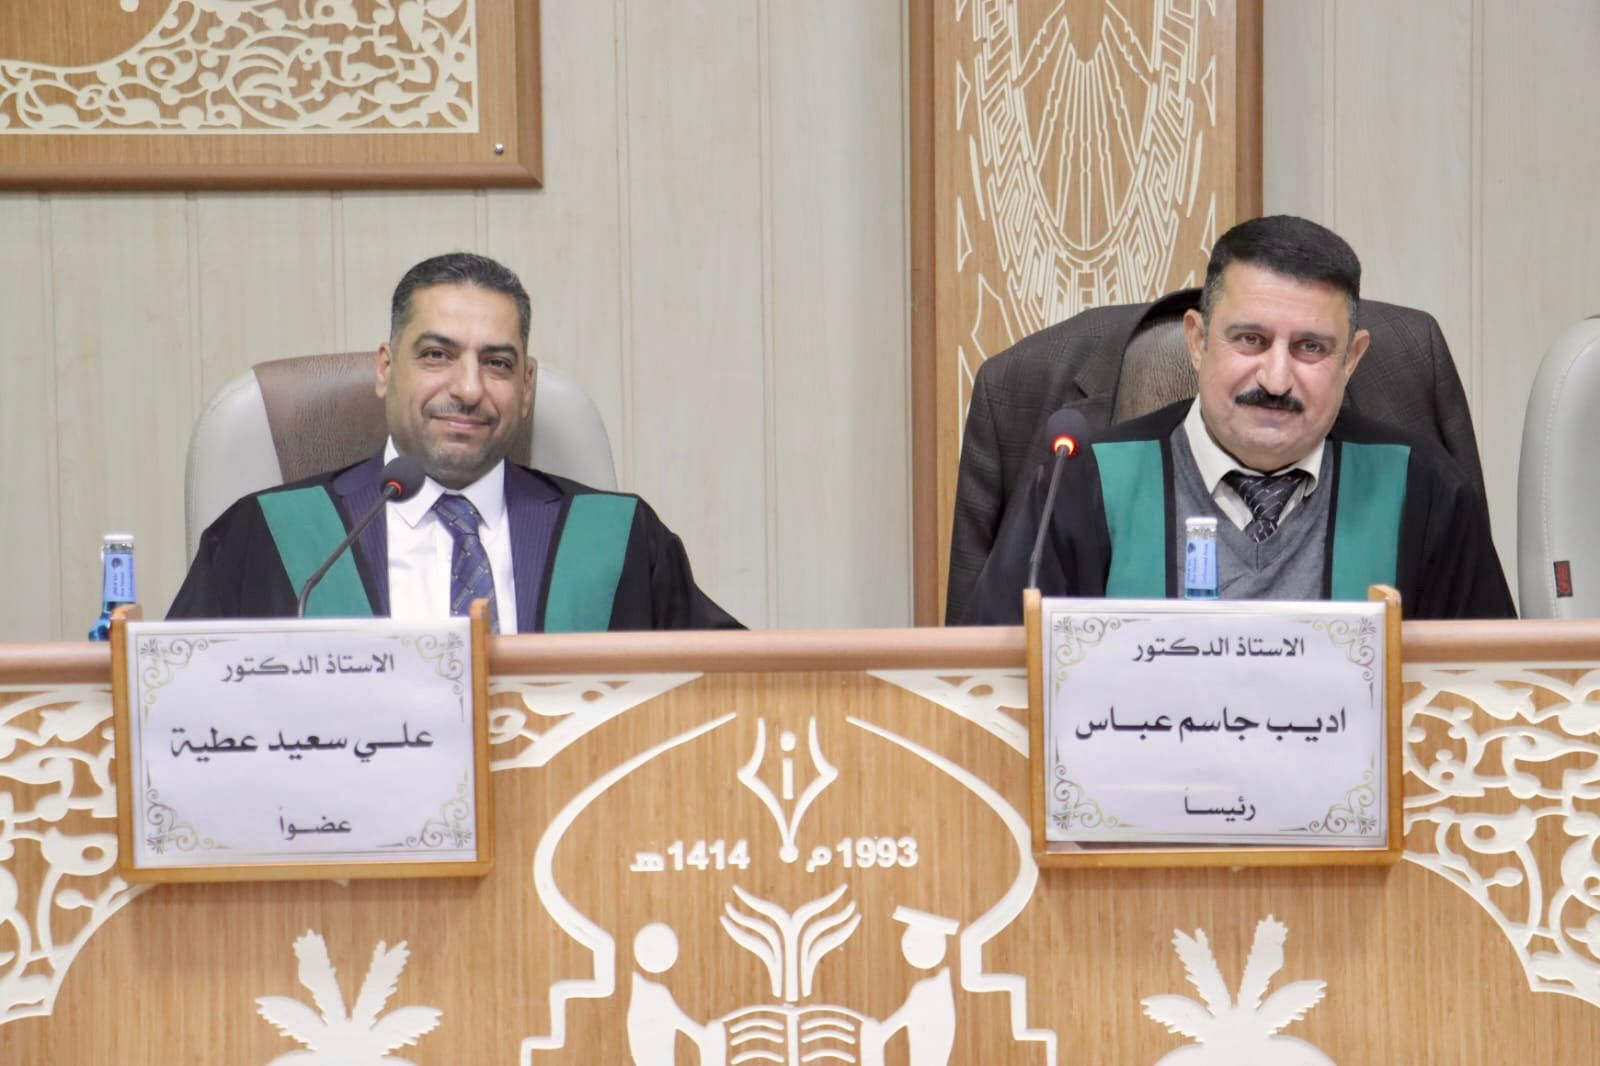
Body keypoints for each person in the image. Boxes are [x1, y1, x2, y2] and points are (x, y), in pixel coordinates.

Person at [962, 215, 1515, 623]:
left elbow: (1490, 696)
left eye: (1310, 348)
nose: (1275, 379)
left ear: (1351, 359)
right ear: (1197, 341)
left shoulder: (1422, 490)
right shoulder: (1085, 486)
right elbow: (988, 693)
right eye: (1250, 340)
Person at [170, 253, 739, 632]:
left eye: (497, 363)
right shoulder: (264, 537)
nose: (468, 389)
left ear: (526, 386)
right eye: (437, 355)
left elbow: (732, 692)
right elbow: (173, 710)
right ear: (386, 369)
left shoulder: (622, 538)